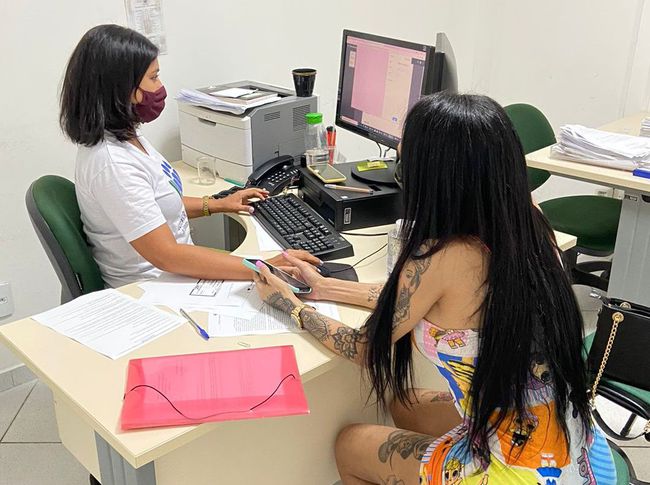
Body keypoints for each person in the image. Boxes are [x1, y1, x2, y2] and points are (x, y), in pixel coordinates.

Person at [253, 93, 618, 484]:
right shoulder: (528, 219)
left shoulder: (442, 256)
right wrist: (326, 288)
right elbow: (417, 302)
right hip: (572, 443)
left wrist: (292, 306)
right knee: (404, 404)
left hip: (518, 472)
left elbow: (366, 348)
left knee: (350, 444)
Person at [59, 24, 317, 288]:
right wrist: (263, 267)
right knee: (296, 289)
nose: (160, 87)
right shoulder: (112, 164)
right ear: (124, 89)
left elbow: (156, 204)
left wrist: (217, 204)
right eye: (153, 77)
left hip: (173, 275)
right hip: (151, 290)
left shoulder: (126, 138)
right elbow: (167, 256)